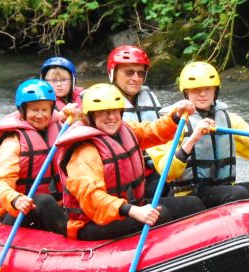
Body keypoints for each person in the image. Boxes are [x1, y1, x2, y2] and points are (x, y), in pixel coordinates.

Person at [55, 83, 206, 241]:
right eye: (103, 113)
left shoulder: (124, 129)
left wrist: (176, 116)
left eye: (115, 111)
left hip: (130, 207)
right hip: (92, 222)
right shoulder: (84, 151)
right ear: (91, 116)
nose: (112, 117)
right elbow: (92, 198)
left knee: (193, 204)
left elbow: (153, 131)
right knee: (161, 215)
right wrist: (132, 210)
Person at [149, 61, 249, 209]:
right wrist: (192, 140)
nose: (202, 94)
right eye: (196, 89)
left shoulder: (229, 120)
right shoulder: (171, 123)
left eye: (207, 88)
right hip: (191, 194)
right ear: (186, 92)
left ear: (215, 90)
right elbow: (166, 171)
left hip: (224, 188)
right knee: (237, 193)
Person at [0, 79, 67, 234]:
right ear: (23, 112)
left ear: (52, 111)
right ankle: (71, 240)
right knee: (44, 201)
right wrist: (16, 199)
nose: (40, 115)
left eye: (44, 110)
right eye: (34, 110)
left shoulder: (62, 128)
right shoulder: (12, 141)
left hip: (59, 206)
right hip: (18, 211)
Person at [106, 45, 171, 199]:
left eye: (140, 73)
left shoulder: (150, 98)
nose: (136, 78)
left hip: (154, 170)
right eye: (129, 72)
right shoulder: (102, 103)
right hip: (124, 180)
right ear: (113, 74)